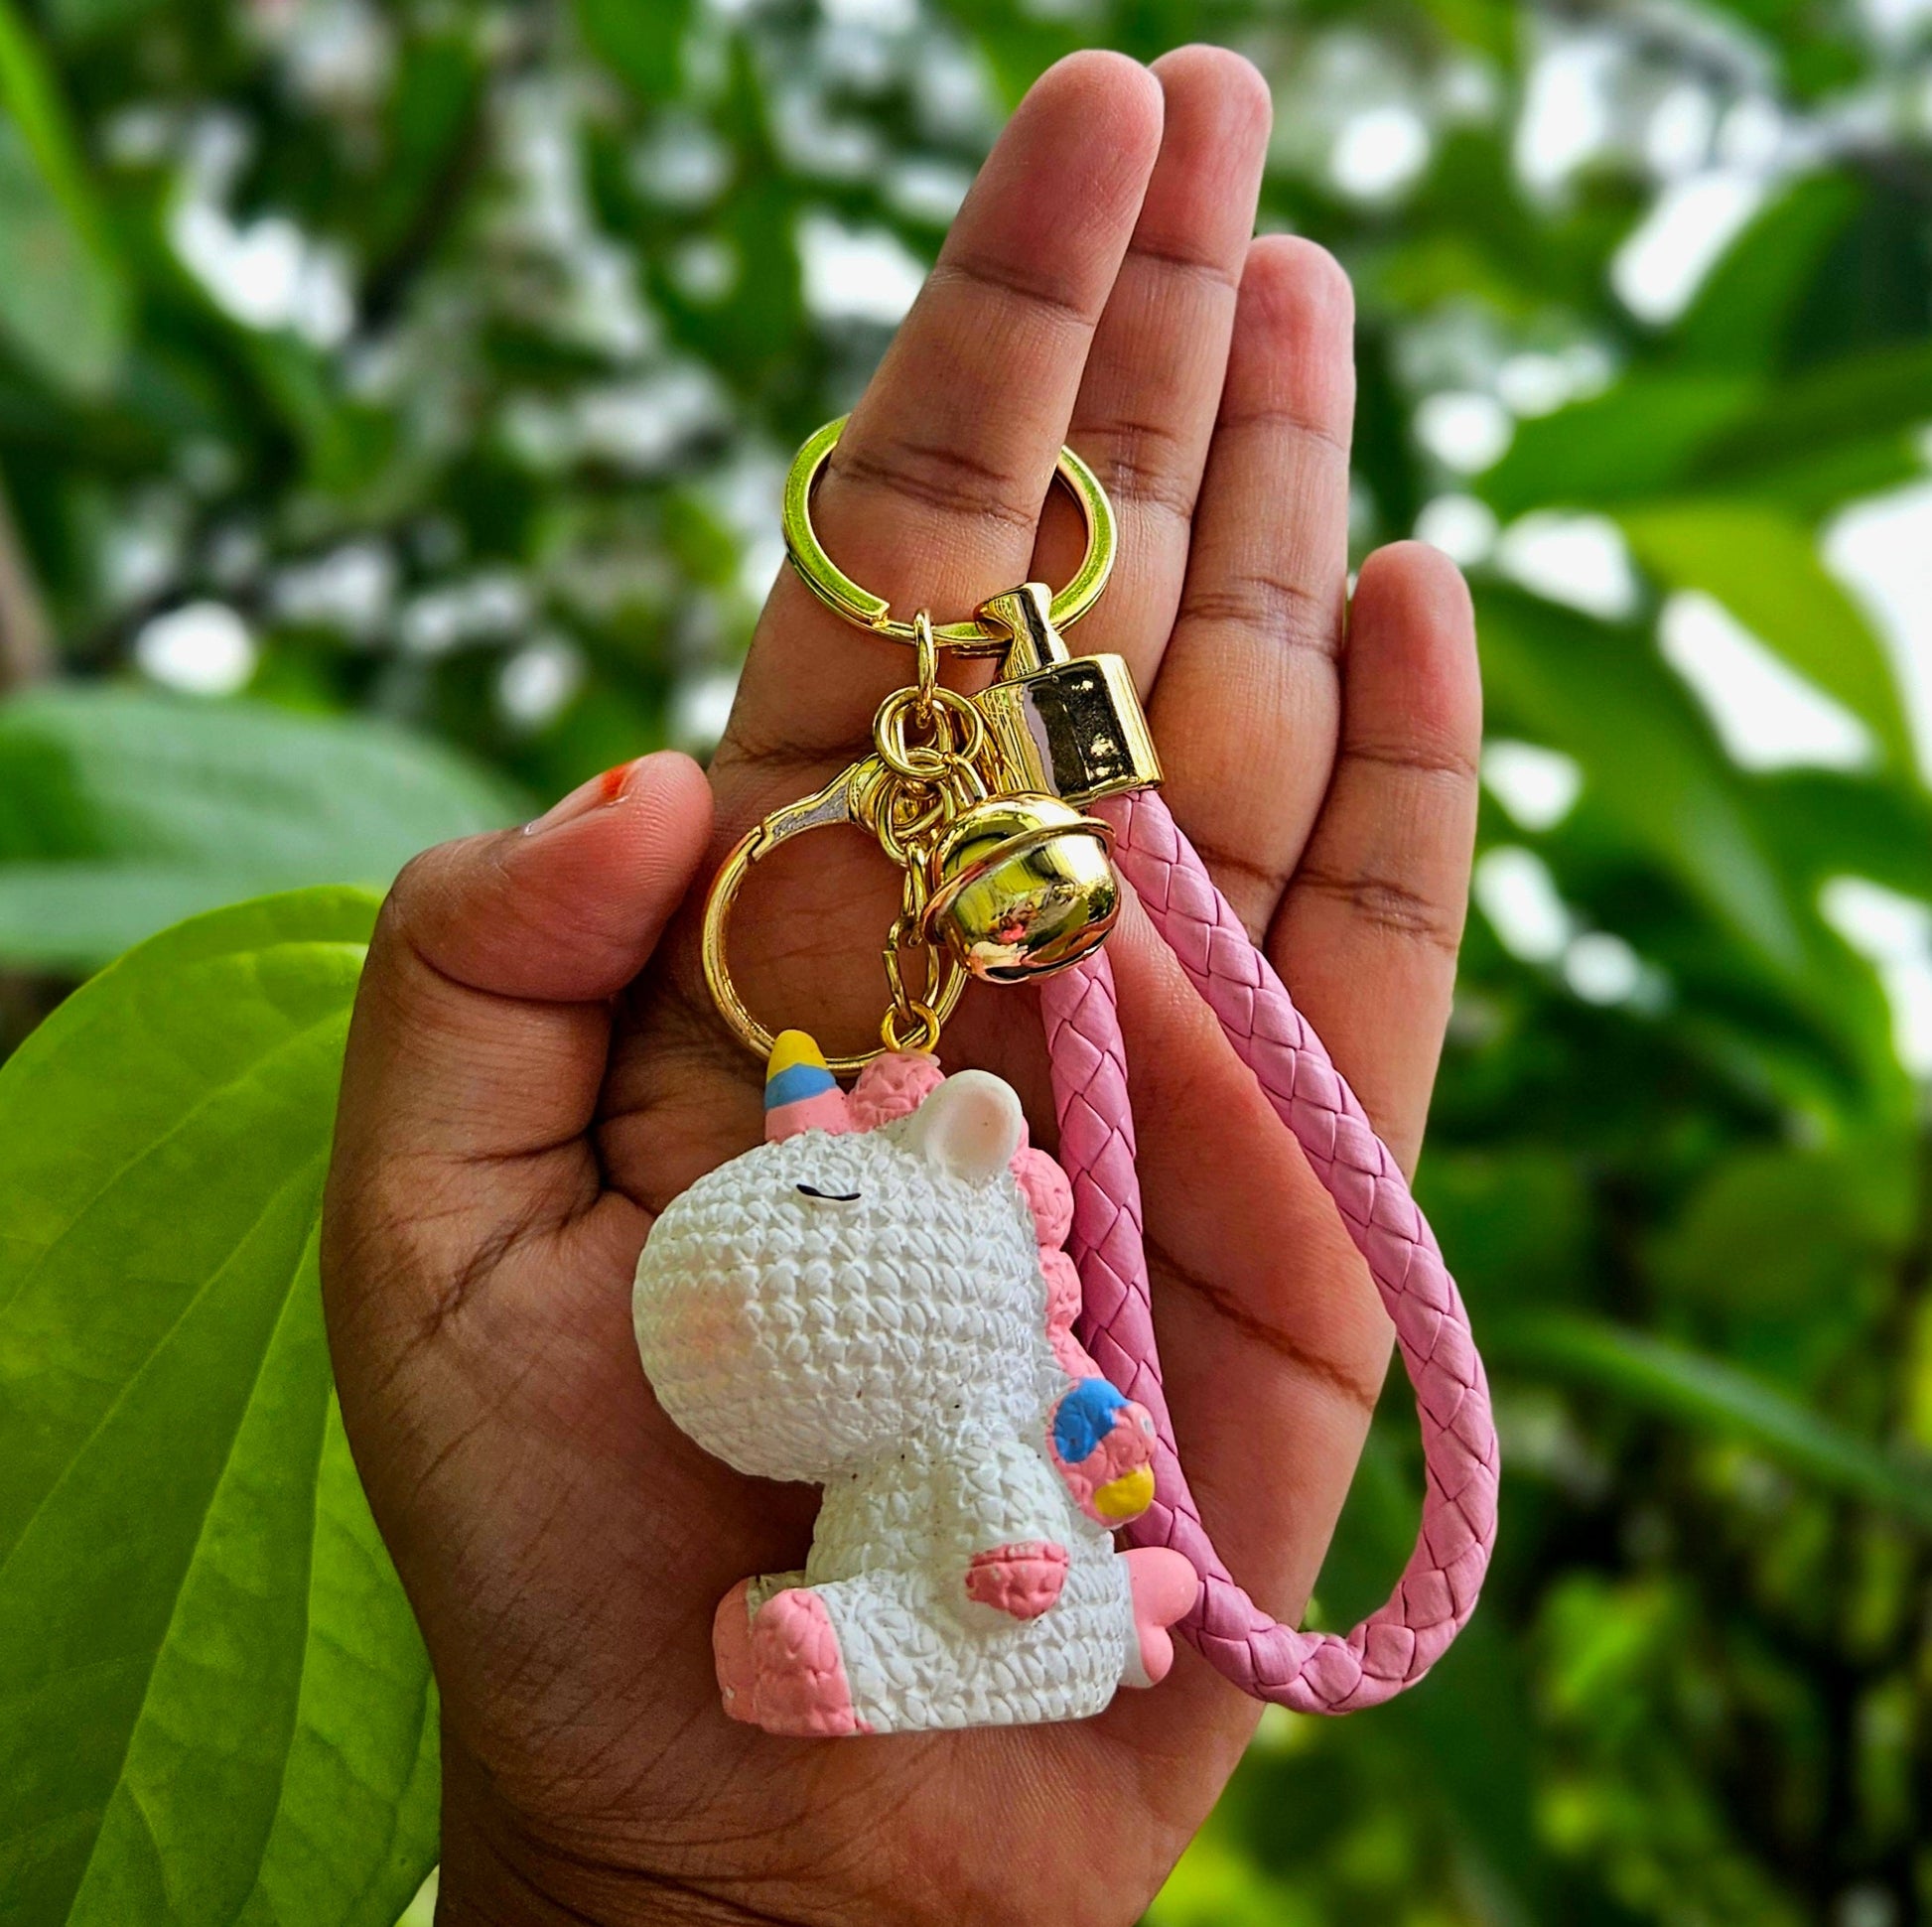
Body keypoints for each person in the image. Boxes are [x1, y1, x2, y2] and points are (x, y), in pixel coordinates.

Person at [321, 44, 1480, 1926]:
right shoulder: (893, 1328)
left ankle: (975, 1637)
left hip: (1029, 1570)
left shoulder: (984, 1304)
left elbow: (1059, 1453)